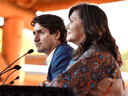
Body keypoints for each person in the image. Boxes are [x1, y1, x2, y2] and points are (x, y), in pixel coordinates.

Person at [47, 3, 125, 96]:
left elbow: (61, 88)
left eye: (71, 21)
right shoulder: (97, 54)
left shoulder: (96, 56)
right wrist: (49, 84)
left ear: (88, 24)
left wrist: (47, 87)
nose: (67, 26)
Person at [31, 14, 73, 86]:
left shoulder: (63, 54)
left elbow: (59, 90)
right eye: (34, 33)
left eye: (41, 32)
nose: (35, 39)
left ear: (56, 34)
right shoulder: (59, 53)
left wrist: (47, 86)